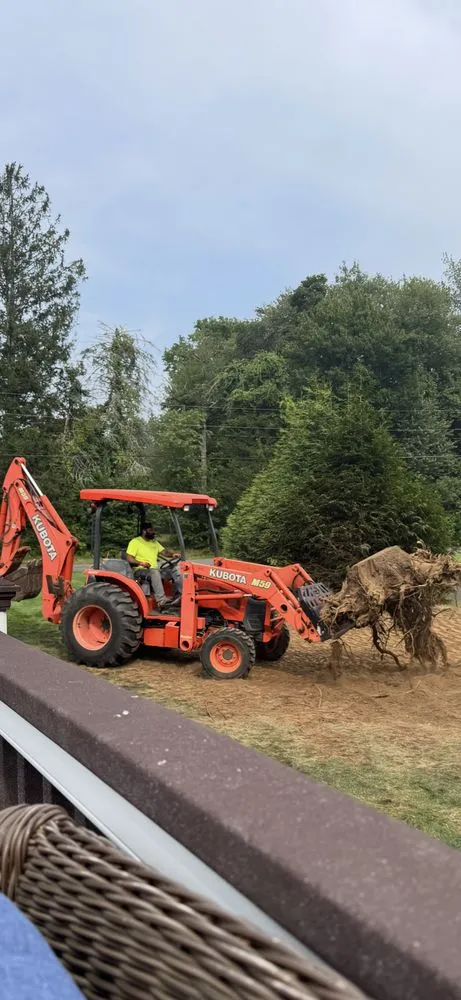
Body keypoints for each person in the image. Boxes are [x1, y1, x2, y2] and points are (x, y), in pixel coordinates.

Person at [126, 524, 182, 609]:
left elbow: (164, 552)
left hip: (154, 570)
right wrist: (141, 563)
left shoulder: (154, 542)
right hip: (140, 570)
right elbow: (129, 558)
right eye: (151, 530)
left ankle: (179, 597)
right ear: (144, 531)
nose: (154, 532)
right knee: (154, 572)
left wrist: (173, 554)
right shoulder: (135, 542)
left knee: (176, 569)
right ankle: (161, 600)